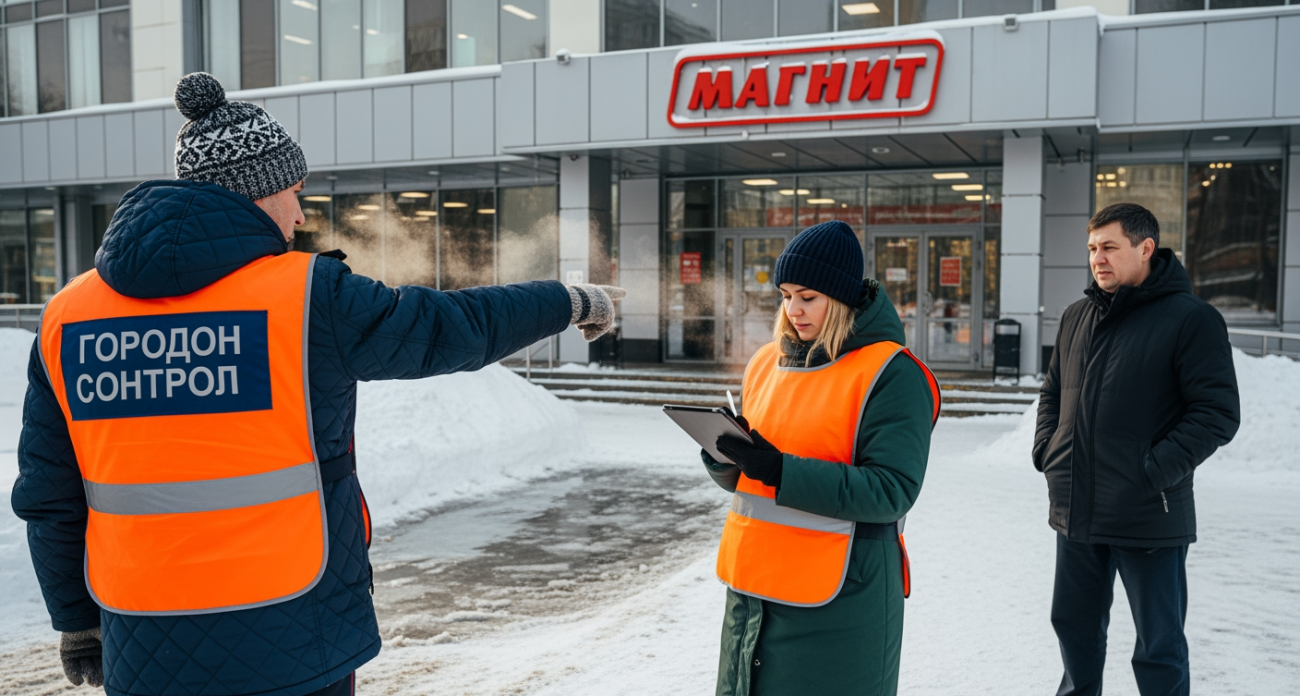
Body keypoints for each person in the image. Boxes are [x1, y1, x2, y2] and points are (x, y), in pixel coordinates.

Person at [10, 72, 624, 696]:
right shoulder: (307, 296)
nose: (300, 214)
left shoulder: (68, 316)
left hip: (142, 638)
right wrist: (568, 300)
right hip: (292, 628)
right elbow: (449, 328)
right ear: (257, 192)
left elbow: (49, 491)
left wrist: (76, 621)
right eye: (294, 192)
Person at [701, 220, 940, 696]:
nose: (793, 310)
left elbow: (892, 491)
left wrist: (781, 470)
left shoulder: (893, 373)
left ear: (842, 297)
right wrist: (726, 456)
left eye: (808, 297)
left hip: (841, 595)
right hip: (753, 590)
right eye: (786, 296)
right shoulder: (765, 361)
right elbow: (753, 481)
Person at [1034, 203, 1240, 696]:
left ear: (1146, 248)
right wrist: (1048, 451)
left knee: (1158, 646)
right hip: (1077, 510)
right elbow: (1052, 392)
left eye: (1109, 247)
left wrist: (1151, 472)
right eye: (1091, 248)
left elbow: (1216, 414)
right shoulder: (1076, 316)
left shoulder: (1192, 320)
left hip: (1148, 512)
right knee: (1075, 631)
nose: (1097, 259)